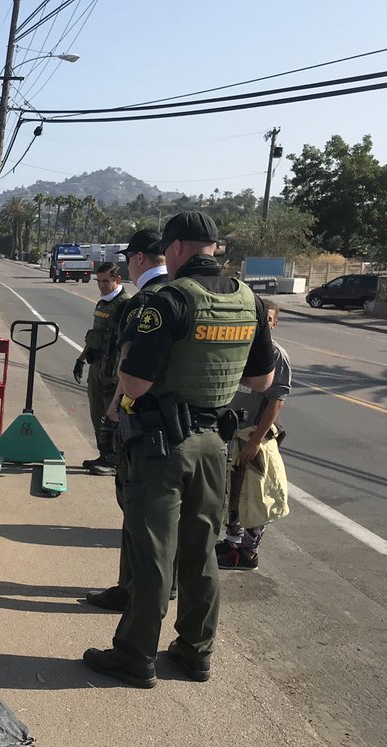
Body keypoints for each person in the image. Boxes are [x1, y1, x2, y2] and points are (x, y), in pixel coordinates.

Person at [83, 212, 277, 688]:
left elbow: (135, 383)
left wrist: (129, 362)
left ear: (175, 249)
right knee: (201, 550)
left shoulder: (169, 300)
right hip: (214, 442)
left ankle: (135, 656)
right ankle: (195, 653)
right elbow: (261, 380)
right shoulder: (248, 300)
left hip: (161, 444)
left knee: (153, 553)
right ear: (215, 247)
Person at [83, 229, 169, 610]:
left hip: (146, 423)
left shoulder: (146, 302)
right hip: (183, 425)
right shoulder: (188, 293)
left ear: (137, 259)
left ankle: (133, 591)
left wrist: (113, 412)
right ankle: (164, 584)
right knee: (169, 516)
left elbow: (129, 367)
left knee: (137, 510)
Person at [217, 300, 291, 571]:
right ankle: (232, 543)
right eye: (259, 319)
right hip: (230, 433)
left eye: (268, 320)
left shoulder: (275, 354)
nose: (263, 324)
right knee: (232, 492)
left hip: (253, 436)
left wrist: (256, 441)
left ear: (274, 323)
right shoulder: (239, 348)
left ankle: (249, 553)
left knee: (255, 496)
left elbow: (276, 401)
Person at [74, 262, 128, 475]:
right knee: (96, 412)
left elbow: (127, 344)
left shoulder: (125, 304)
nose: (102, 285)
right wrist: (81, 359)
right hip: (97, 367)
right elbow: (95, 336)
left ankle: (114, 459)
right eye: (99, 281)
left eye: (106, 281)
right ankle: (104, 454)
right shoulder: (102, 303)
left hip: (113, 373)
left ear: (117, 280)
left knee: (112, 416)